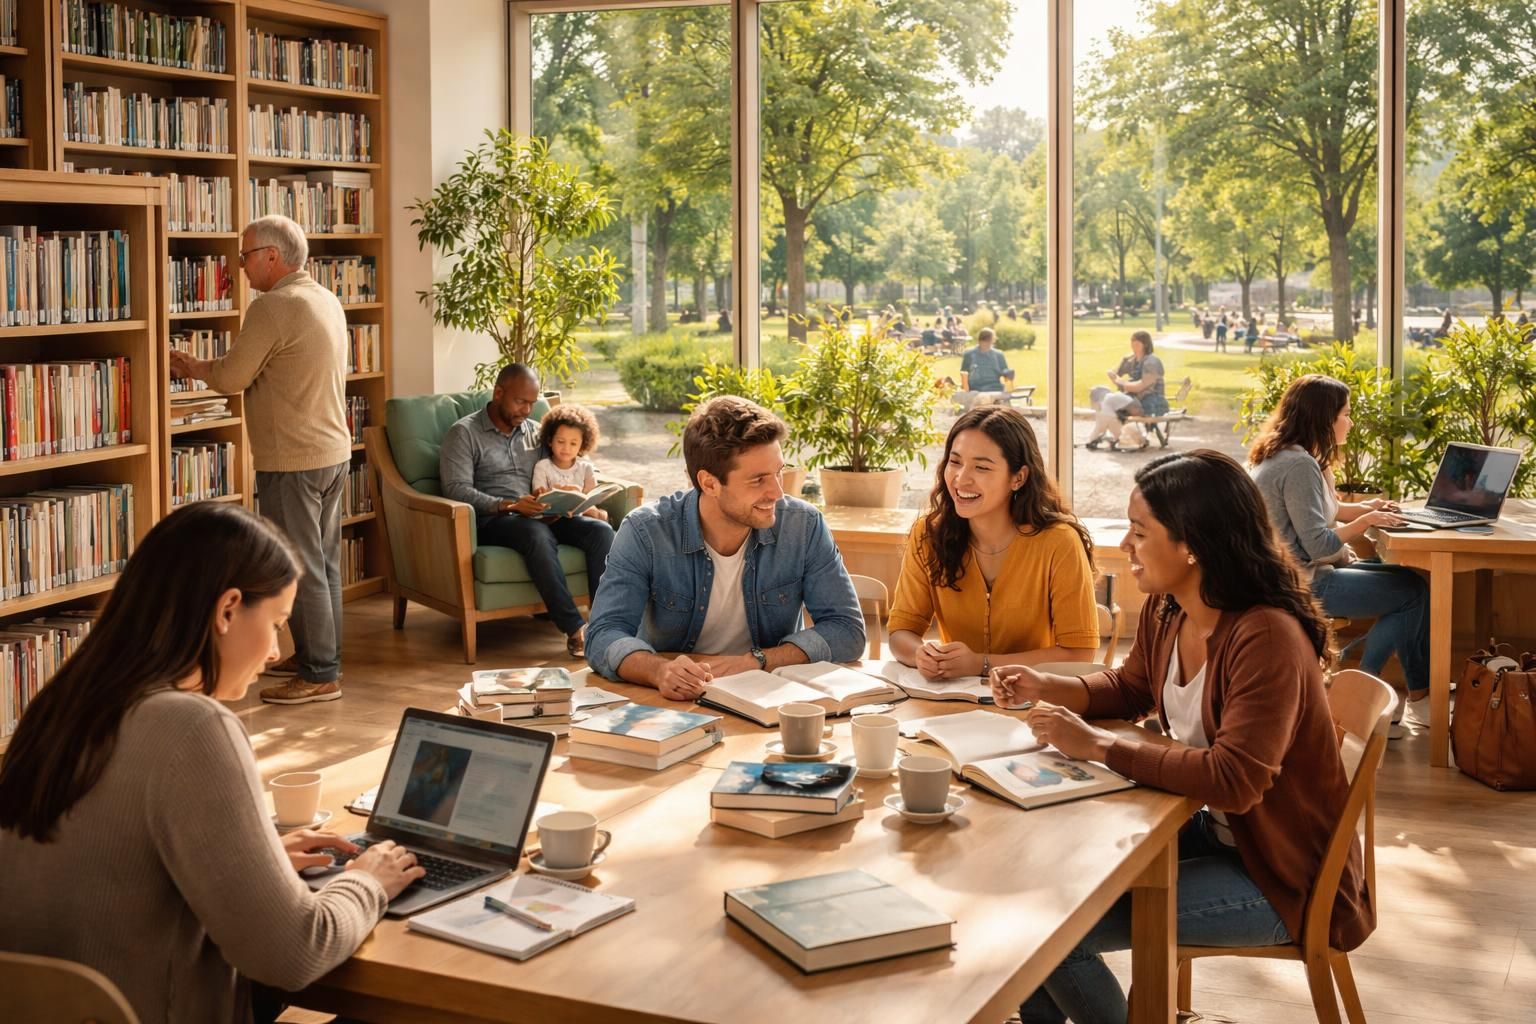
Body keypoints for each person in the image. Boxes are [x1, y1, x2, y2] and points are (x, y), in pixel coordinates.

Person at [0, 503, 424, 1024]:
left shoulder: (59, 707)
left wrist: (254, 857)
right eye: (277, 623)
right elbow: (293, 953)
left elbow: (112, 868)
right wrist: (367, 881)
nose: (275, 651)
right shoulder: (192, 726)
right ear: (227, 609)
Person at [999, 450, 1375, 1023]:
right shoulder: (1168, 607)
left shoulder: (1265, 636)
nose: (1124, 544)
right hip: (1227, 837)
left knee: (1050, 938)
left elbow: (1236, 781)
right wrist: (1044, 686)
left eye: (1138, 530)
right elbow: (1129, 690)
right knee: (1032, 904)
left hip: (1285, 877)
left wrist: (1098, 746)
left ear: (1192, 544)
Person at [169, 214, 352, 706]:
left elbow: (231, 376)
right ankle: (322, 657)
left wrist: (190, 365)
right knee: (325, 565)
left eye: (245, 256)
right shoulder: (325, 299)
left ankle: (320, 674)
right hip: (332, 451)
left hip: (293, 457)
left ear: (272, 256)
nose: (240, 267)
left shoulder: (272, 307)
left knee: (302, 567)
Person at [584, 396, 865, 699]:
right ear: (709, 483)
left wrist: (757, 661)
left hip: (767, 698)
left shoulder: (804, 526)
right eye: (758, 480)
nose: (777, 492)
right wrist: (658, 671)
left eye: (779, 472)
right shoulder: (645, 532)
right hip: (676, 700)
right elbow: (603, 634)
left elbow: (847, 629)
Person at [1248, 374, 1429, 717]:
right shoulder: (1299, 465)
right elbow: (1318, 545)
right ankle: (1362, 697)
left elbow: (1325, 512)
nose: (1351, 421)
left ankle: (1416, 692)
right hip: (1301, 583)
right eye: (1345, 413)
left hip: (1290, 574)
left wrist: (1368, 508)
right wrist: (1365, 523)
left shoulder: (1287, 455)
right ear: (1323, 418)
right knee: (1413, 592)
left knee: (1409, 580)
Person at [887, 406, 1099, 680]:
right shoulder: (928, 534)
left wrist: (981, 664)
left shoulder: (1059, 542)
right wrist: (921, 654)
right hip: (953, 701)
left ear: (1018, 478)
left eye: (982, 467)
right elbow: (900, 632)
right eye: (955, 462)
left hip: (1034, 702)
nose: (961, 478)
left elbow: (1080, 654)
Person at [440, 363, 614, 658]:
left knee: (601, 532)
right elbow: (455, 489)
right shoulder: (464, 433)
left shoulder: (536, 432)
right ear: (498, 393)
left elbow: (564, 467)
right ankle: (574, 629)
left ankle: (605, 625)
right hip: (496, 518)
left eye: (532, 403)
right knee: (536, 533)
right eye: (521, 401)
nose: (527, 410)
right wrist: (508, 504)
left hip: (543, 513)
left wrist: (569, 499)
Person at [1084, 330, 1168, 451]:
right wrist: (1121, 364)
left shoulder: (1152, 361)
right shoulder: (1132, 360)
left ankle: (1102, 437)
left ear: (1145, 344)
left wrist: (1121, 383)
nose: (1133, 346)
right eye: (1132, 343)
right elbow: (1113, 373)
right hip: (1131, 399)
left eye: (1137, 343)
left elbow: (1141, 386)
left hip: (1149, 403)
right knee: (1099, 392)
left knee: (1109, 400)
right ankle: (1121, 438)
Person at [532, 403, 610, 521]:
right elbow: (538, 496)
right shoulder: (542, 466)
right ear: (549, 440)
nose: (566, 448)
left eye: (573, 443)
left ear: (582, 445)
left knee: (598, 518)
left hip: (579, 518)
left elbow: (590, 499)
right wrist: (559, 491)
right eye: (560, 441)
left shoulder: (586, 468)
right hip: (552, 520)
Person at [957, 327, 1015, 407]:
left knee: (1002, 397)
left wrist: (1008, 373)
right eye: (984, 342)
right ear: (979, 341)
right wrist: (965, 389)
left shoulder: (998, 355)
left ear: (992, 341)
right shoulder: (969, 355)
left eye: (988, 342)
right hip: (976, 388)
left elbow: (1004, 370)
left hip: (994, 387)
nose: (986, 345)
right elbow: (964, 373)